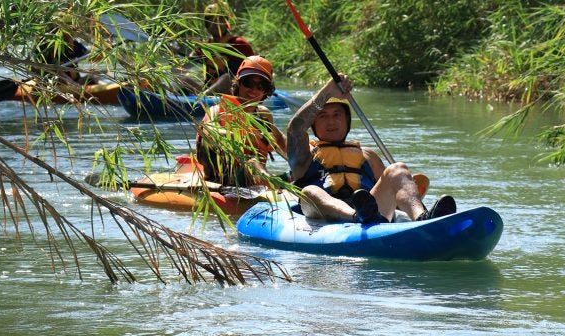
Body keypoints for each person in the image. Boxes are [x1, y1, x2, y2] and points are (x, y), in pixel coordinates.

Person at [286, 74, 456, 224]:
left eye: (337, 115)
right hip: (322, 214)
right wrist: (328, 91)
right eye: (323, 116)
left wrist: (405, 195)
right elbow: (295, 129)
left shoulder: (367, 155)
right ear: (313, 124)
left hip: (372, 214)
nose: (331, 121)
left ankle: (423, 218)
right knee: (310, 191)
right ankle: (356, 216)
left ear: (346, 121)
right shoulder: (306, 154)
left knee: (397, 169)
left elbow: (390, 191)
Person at [195, 55, 287, 186]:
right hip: (222, 180)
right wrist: (247, 136)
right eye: (249, 83)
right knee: (252, 164)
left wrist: (307, 154)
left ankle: (283, 182)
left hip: (255, 181)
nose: (254, 90)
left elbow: (281, 140)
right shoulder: (217, 111)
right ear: (238, 83)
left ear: (267, 90)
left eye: (261, 86)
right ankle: (276, 185)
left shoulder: (264, 115)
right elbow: (210, 133)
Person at [175, 2, 255, 95]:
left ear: (226, 23)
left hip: (231, 91)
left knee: (227, 78)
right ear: (206, 24)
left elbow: (253, 72)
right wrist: (174, 56)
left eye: (220, 19)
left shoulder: (239, 44)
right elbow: (184, 67)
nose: (215, 23)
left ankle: (203, 98)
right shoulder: (203, 46)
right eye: (211, 20)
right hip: (208, 90)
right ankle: (168, 95)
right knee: (181, 78)